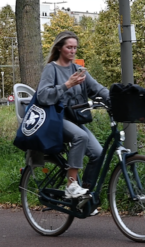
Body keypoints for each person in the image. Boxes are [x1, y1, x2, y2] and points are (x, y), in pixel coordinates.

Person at [37, 31, 109, 210]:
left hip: (75, 119)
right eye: (69, 47)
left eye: (75, 48)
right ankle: (71, 186)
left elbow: (97, 89)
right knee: (80, 137)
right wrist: (67, 85)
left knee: (99, 154)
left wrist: (117, 98)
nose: (72, 51)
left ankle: (83, 198)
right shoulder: (51, 69)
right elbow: (42, 95)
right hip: (56, 118)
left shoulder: (79, 70)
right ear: (60, 48)